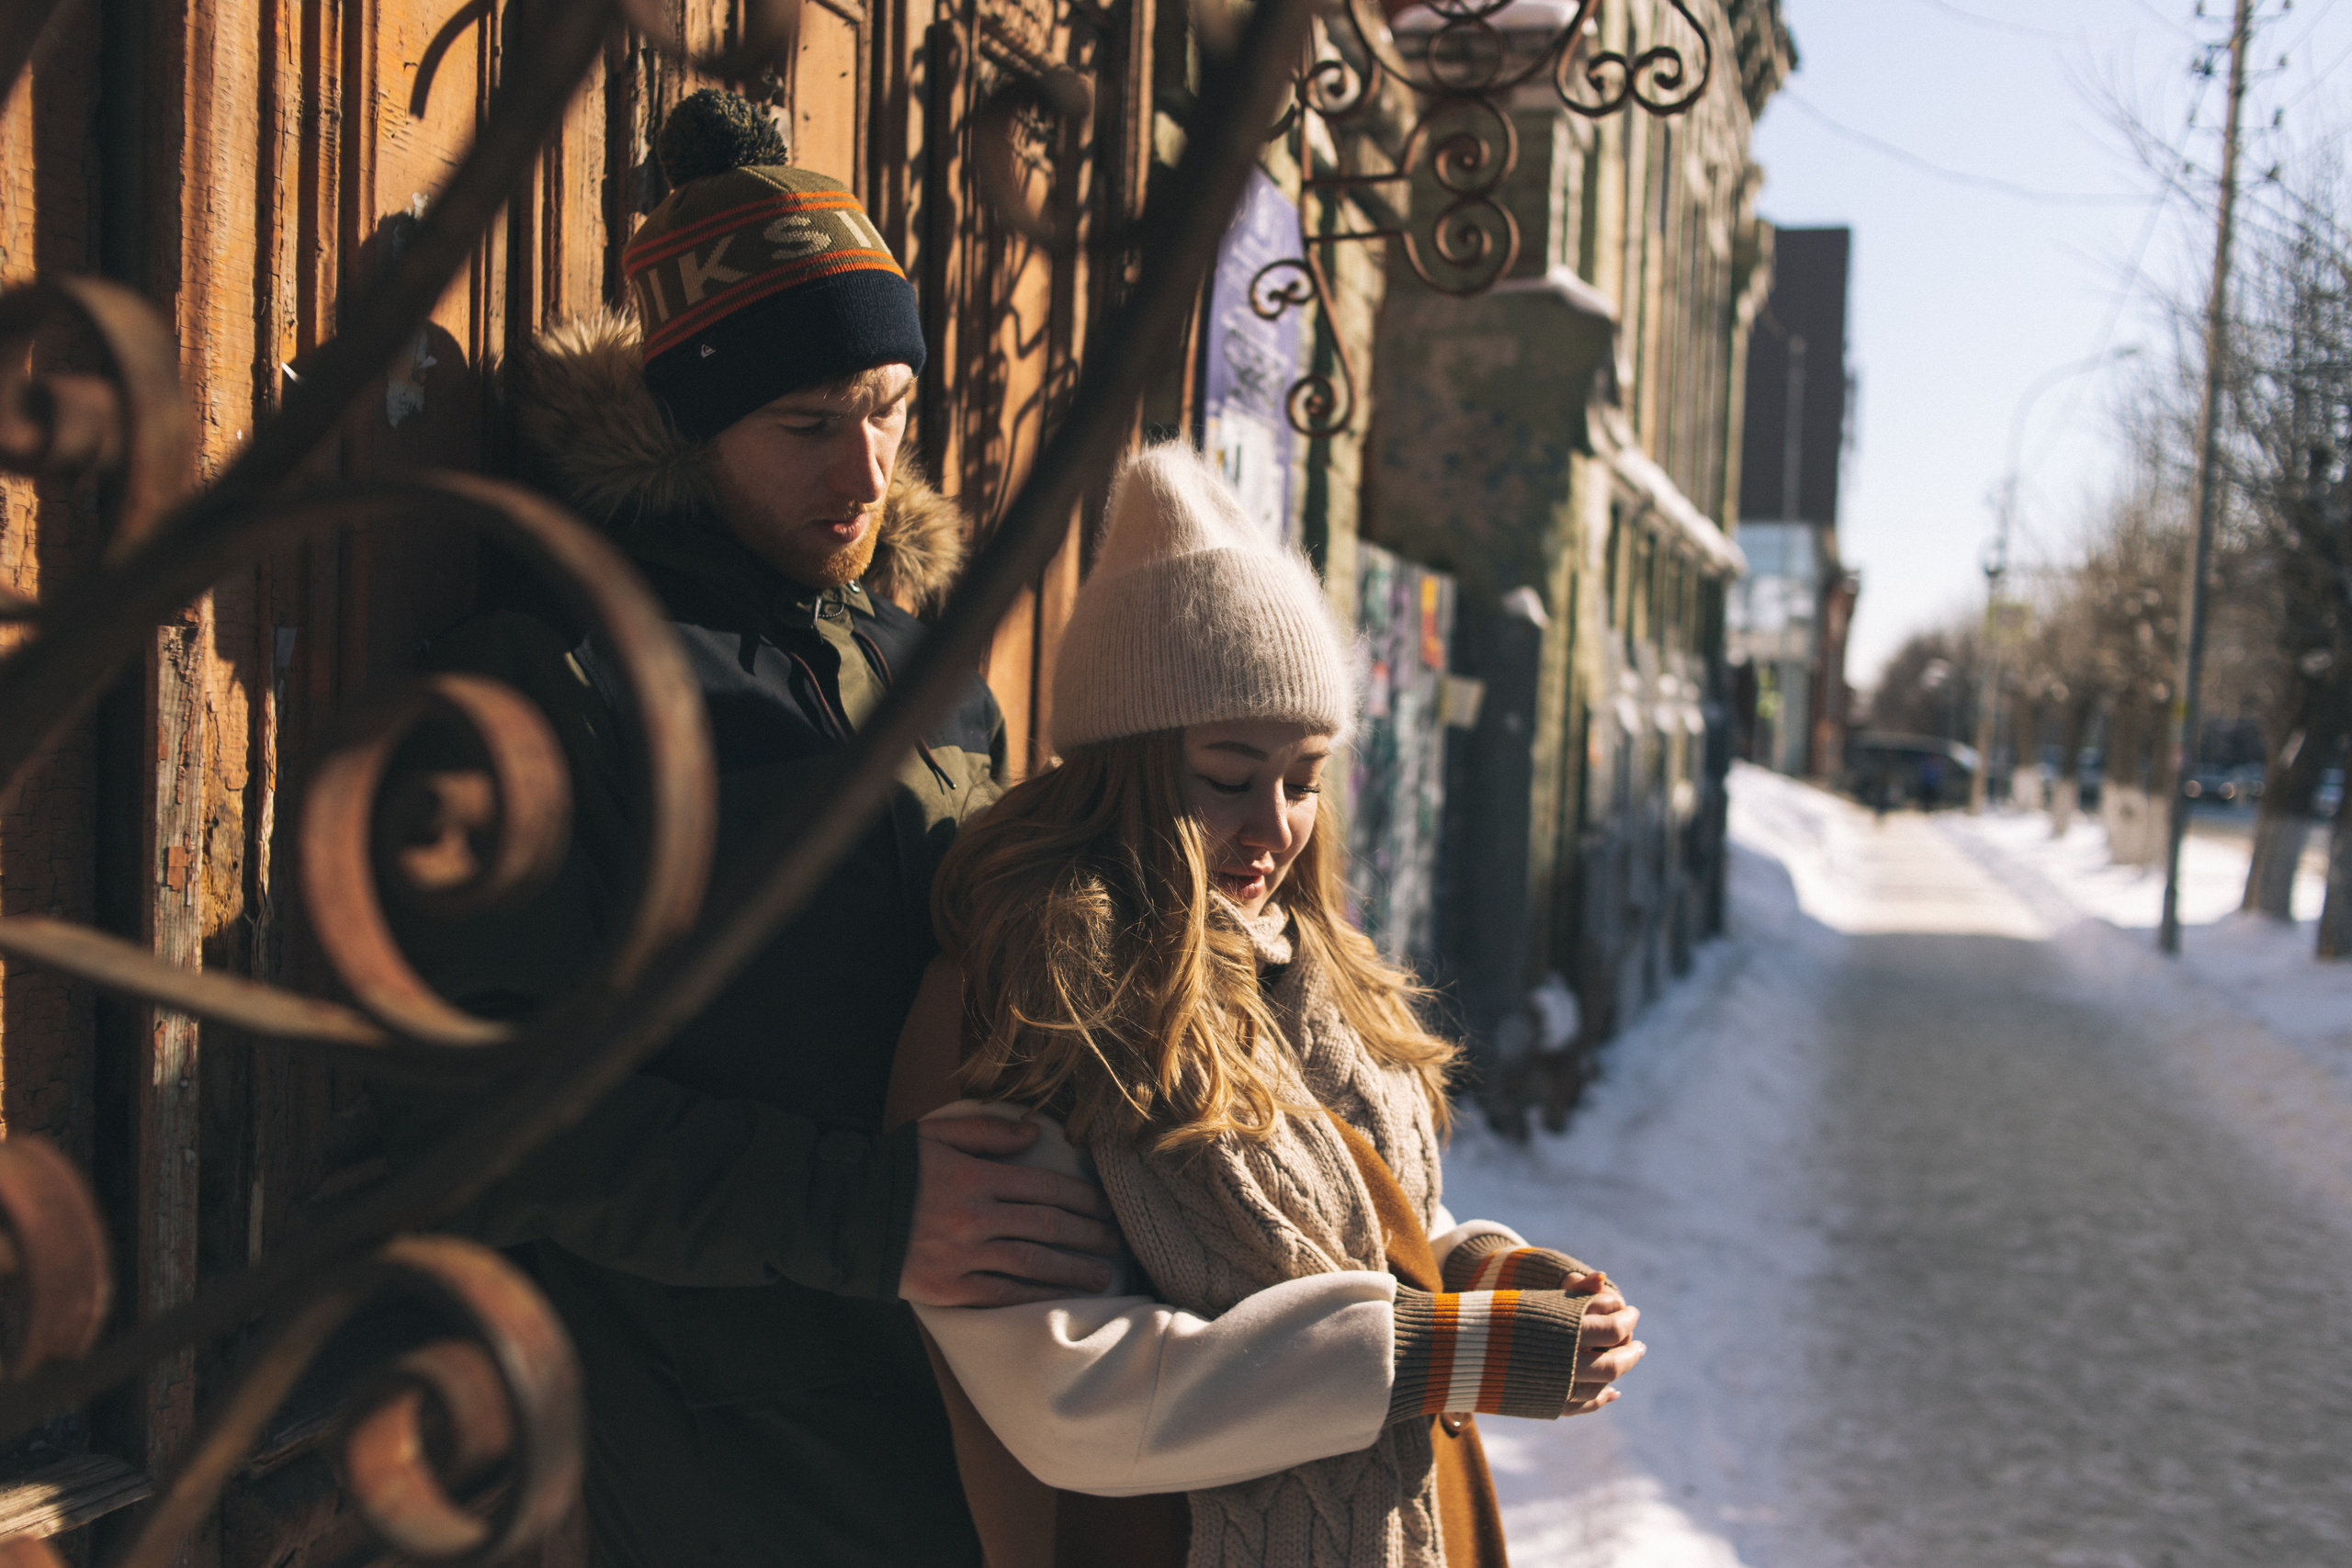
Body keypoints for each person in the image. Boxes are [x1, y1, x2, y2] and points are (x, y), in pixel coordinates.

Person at [375, 90, 1116, 1567]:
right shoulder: (556, 680)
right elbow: (486, 1119)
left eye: (891, 413)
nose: (864, 474)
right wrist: (870, 1211)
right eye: (805, 425)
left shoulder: (935, 670)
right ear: (689, 415)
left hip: (981, 1413)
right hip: (718, 1442)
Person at [886, 445, 1646, 1568]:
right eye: (1227, 776)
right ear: (1124, 766)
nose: (1274, 827)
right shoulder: (1030, 998)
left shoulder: (1305, 968)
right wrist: (1435, 1353)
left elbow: (1353, 1223)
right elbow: (1062, 1394)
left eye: (1304, 779)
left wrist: (1488, 1273)